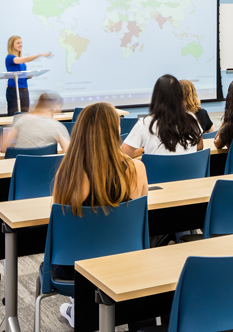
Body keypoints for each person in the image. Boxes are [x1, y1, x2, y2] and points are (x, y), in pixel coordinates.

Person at [51, 101, 148, 327]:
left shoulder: (67, 172)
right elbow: (139, 219)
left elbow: (57, 223)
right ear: (115, 131)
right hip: (124, 261)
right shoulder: (137, 169)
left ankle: (80, 307)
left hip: (73, 267)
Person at [121, 75, 203, 158]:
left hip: (155, 171)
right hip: (188, 170)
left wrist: (142, 149)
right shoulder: (191, 119)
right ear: (180, 96)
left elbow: (122, 154)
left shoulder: (145, 123)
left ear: (156, 97)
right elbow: (199, 147)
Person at [0, 92, 69, 153]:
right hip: (46, 167)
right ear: (57, 107)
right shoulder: (58, 127)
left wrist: (18, 148)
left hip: (21, 167)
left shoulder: (22, 119)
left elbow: (4, 147)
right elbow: (69, 152)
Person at [4, 35, 51, 116]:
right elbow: (24, 59)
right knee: (14, 116)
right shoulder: (10, 58)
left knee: (25, 116)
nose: (21, 44)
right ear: (12, 45)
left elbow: (20, 73)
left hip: (24, 90)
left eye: (21, 42)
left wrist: (27, 75)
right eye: (18, 43)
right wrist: (40, 55)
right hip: (14, 91)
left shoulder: (20, 60)